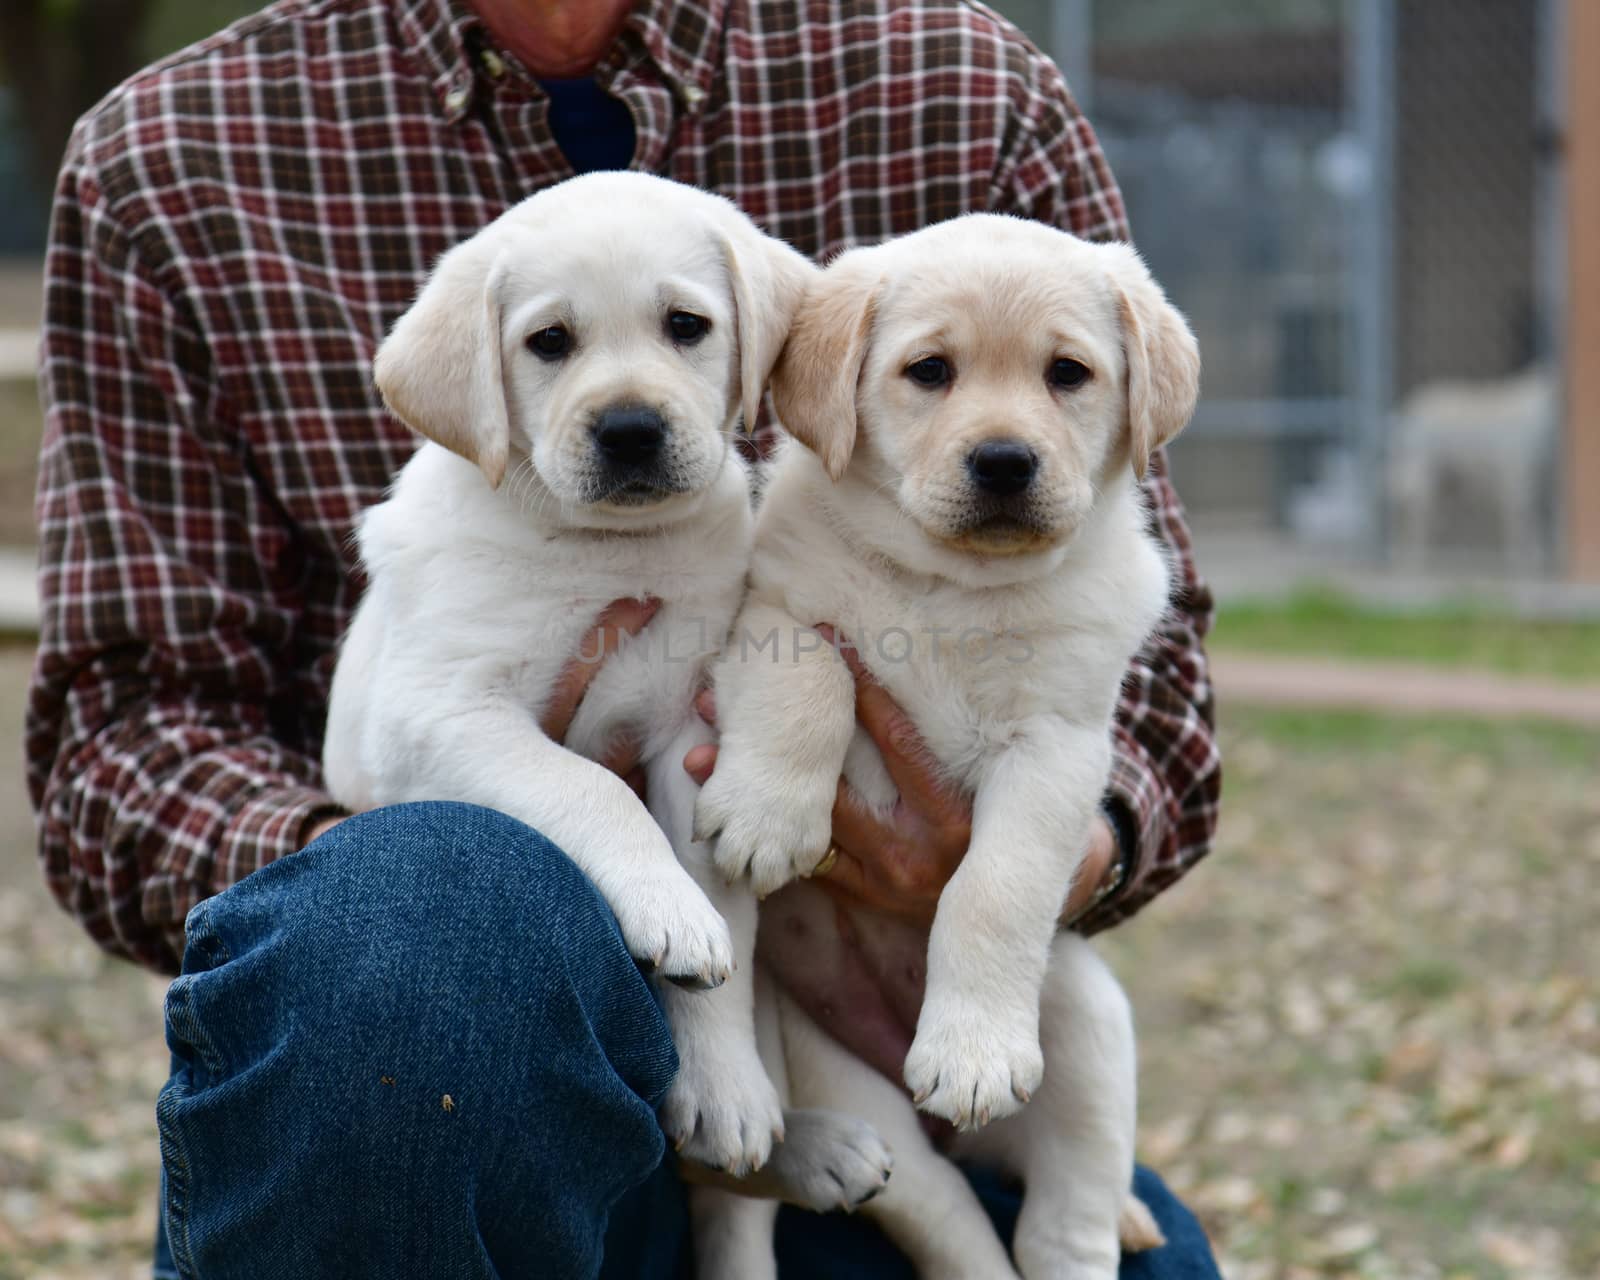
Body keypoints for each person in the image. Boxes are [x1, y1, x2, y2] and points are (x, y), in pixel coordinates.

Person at [27, 0, 1224, 1275]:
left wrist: (991, 864)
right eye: (551, 344)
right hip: (404, 1072)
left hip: (840, 1039)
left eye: (689, 333)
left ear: (765, 353)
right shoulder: (165, 158)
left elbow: (1150, 703)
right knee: (416, 923)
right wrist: (391, 887)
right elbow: (121, 741)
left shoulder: (958, 86)